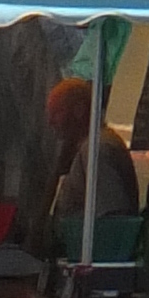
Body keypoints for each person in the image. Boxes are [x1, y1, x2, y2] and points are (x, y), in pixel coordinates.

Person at [43, 78, 140, 264]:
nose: (51, 122)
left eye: (57, 112)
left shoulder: (97, 149)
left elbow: (112, 221)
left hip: (93, 269)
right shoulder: (86, 148)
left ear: (79, 110)